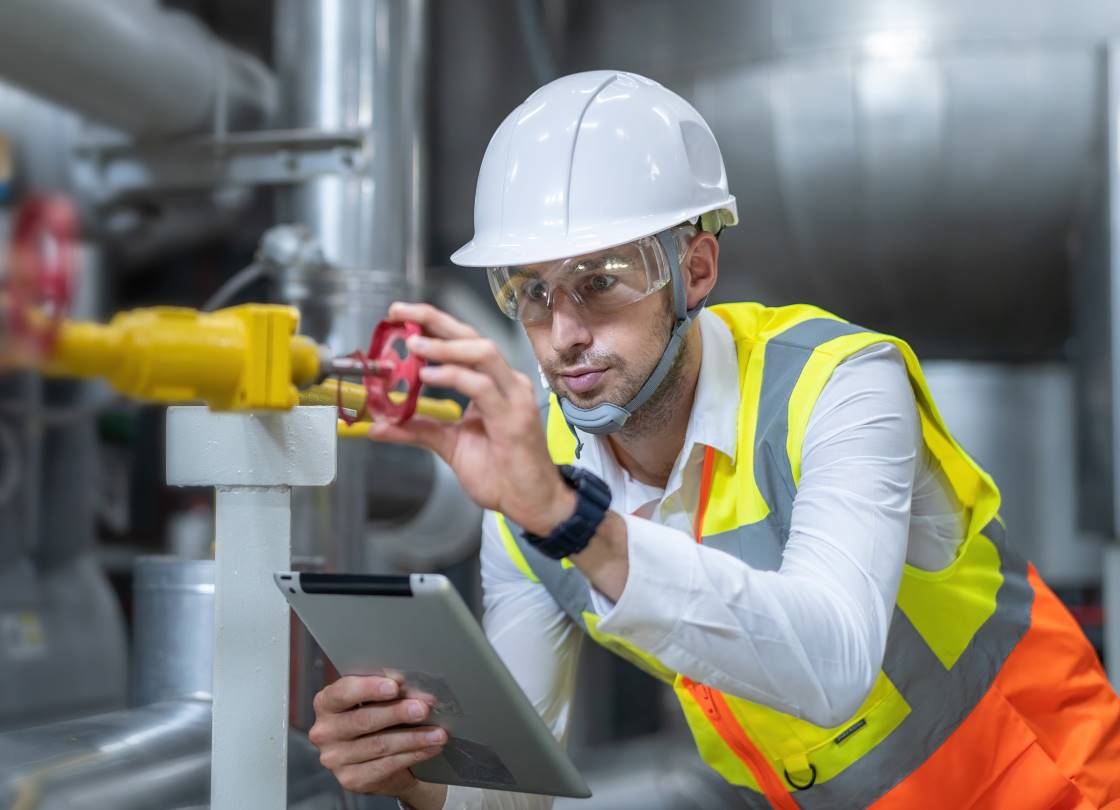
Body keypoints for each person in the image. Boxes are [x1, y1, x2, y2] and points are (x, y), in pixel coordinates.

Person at [306, 70, 1120, 809]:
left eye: (600, 281)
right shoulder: (532, 482)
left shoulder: (837, 385)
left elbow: (831, 664)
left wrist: (572, 523)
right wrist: (421, 773)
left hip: (1057, 790)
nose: (564, 334)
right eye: (529, 293)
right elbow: (514, 800)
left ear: (695, 269)